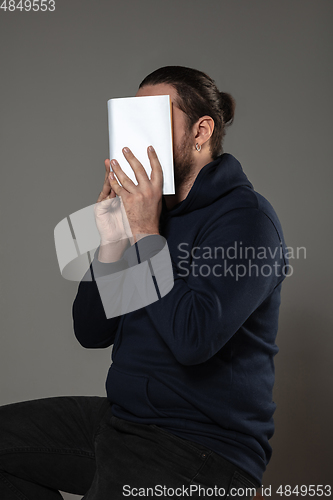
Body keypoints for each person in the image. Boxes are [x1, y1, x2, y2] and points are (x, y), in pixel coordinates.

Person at [0, 66, 288, 499]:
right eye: (131, 121)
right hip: (123, 422)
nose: (136, 138)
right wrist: (114, 242)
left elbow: (194, 339)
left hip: (202, 450)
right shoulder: (150, 216)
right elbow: (92, 331)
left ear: (201, 131)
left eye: (153, 119)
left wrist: (146, 234)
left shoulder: (248, 221)